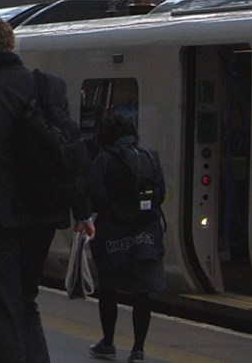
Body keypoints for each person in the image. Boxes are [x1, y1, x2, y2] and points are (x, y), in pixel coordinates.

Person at [0, 14, 94, 363]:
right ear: (10, 45)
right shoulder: (49, 86)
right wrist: (82, 212)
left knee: (4, 310)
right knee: (27, 302)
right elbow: (69, 152)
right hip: (43, 211)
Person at [80, 112, 166, 363]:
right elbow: (160, 194)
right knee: (142, 294)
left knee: (108, 290)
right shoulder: (151, 158)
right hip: (147, 238)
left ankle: (108, 343)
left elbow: (95, 195)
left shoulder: (104, 159)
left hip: (113, 238)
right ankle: (138, 349)